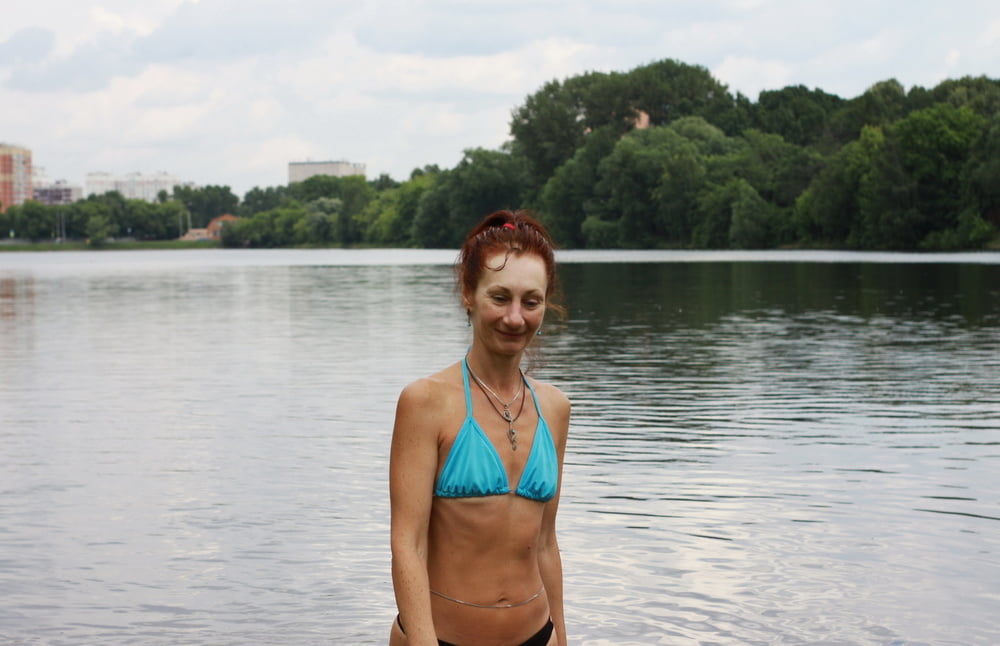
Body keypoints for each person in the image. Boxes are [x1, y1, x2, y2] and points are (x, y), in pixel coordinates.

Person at [389, 210, 570, 646]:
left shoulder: (555, 408)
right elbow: (407, 545)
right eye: (500, 297)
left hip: (536, 635)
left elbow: (545, 541)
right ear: (468, 294)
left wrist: (561, 636)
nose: (515, 317)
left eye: (531, 301)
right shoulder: (426, 402)